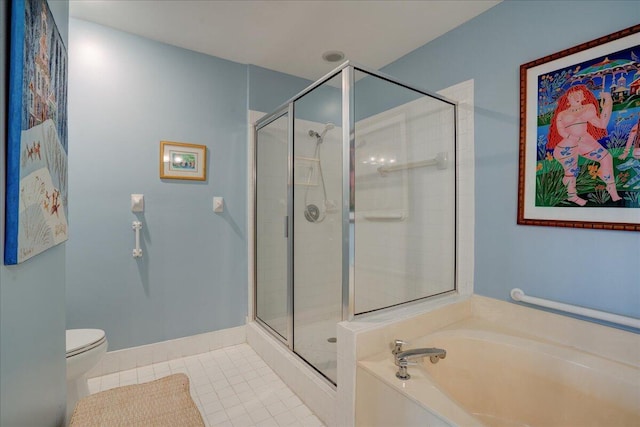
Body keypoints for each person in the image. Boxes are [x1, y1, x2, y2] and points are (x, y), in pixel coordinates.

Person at [547, 84, 620, 206]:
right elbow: (561, 131)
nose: (575, 96)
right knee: (572, 169)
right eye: (572, 94)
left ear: (584, 97)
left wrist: (608, 102)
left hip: (585, 142)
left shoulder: (588, 108)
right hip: (567, 146)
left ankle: (611, 187)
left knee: (606, 157)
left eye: (579, 94)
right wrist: (575, 138)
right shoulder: (562, 114)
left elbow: (602, 124)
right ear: (567, 98)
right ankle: (572, 195)